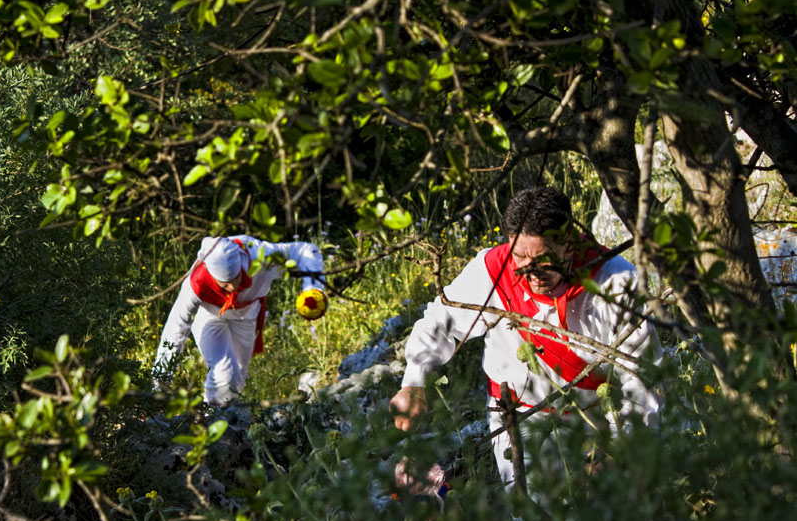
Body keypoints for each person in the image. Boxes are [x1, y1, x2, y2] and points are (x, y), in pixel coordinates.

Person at [389, 186, 662, 495]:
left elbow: (644, 377)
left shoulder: (614, 282)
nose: (532, 273)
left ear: (568, 244)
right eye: (520, 257)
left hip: (598, 421)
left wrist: (615, 449)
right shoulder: (492, 271)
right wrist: (413, 382)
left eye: (544, 260)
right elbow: (440, 321)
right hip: (519, 421)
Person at [155, 235, 326, 405]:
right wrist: (160, 386)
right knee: (223, 372)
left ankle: (230, 421)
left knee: (238, 375)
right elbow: (175, 330)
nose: (233, 287)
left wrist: (312, 290)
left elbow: (306, 250)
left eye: (236, 279)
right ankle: (213, 421)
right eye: (225, 284)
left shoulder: (261, 257)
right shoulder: (197, 282)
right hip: (209, 314)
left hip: (246, 314)